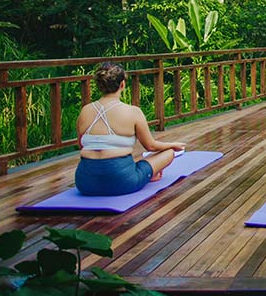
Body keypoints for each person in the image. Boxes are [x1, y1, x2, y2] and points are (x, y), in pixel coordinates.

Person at [75, 62, 185, 196]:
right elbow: (150, 146)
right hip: (121, 182)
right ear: (122, 85)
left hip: (85, 182)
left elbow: (81, 145)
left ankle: (141, 172)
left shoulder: (85, 111)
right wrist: (172, 145)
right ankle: (149, 175)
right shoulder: (133, 112)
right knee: (168, 153)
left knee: (131, 163)